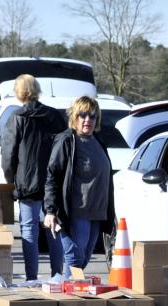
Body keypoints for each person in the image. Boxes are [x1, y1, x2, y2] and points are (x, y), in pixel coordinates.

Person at [1, 74, 66, 281]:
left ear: (18, 92)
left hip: (26, 183)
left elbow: (8, 155)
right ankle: (57, 276)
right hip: (53, 182)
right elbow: (65, 147)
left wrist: (11, 181)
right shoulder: (54, 116)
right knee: (53, 230)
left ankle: (32, 279)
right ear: (36, 89)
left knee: (29, 232)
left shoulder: (16, 118)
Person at [43, 96, 114, 279]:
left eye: (92, 116)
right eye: (83, 115)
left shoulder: (98, 142)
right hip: (74, 212)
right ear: (74, 117)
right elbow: (52, 176)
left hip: (96, 213)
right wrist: (50, 211)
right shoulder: (67, 141)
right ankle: (68, 302)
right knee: (74, 259)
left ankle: (65, 293)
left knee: (83, 260)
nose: (87, 120)